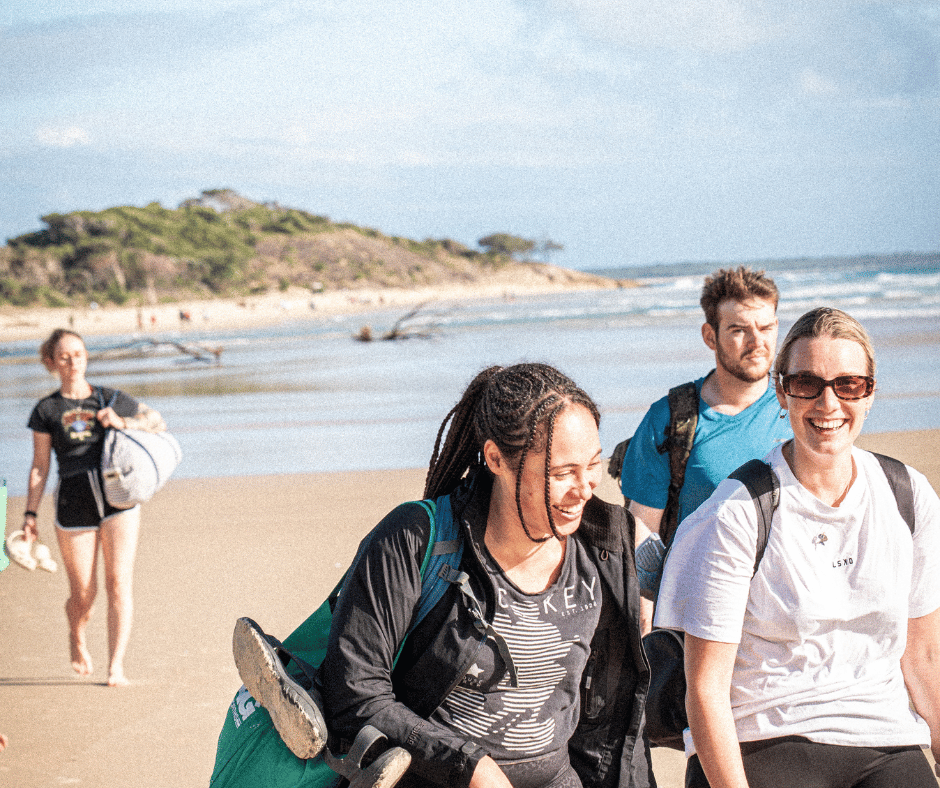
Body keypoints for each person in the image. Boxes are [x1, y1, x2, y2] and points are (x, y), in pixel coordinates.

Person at [230, 363, 653, 788]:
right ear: (495, 458)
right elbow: (355, 693)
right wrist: (470, 767)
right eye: (562, 473)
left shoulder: (609, 543)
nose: (585, 488)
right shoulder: (415, 539)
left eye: (593, 465)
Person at [655, 307, 940, 788]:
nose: (828, 403)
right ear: (781, 393)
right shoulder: (740, 510)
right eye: (808, 383)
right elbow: (705, 691)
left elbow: (924, 658)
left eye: (849, 384)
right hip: (763, 737)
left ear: (870, 394)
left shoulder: (908, 494)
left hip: (884, 737)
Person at [619, 266, 791, 632]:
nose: (756, 341)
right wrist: (646, 611)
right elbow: (642, 529)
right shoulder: (671, 418)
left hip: (787, 607)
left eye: (766, 327)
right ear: (710, 337)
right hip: (697, 614)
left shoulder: (801, 405)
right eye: (739, 329)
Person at [22, 328, 167, 687]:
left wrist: (122, 421)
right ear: (52, 362)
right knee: (84, 594)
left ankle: (115, 666)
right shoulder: (47, 409)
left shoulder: (106, 398)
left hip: (118, 500)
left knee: (119, 583)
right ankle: (76, 633)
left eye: (79, 354)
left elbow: (157, 422)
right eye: (65, 356)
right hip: (73, 506)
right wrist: (29, 515)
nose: (74, 362)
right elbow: (40, 466)